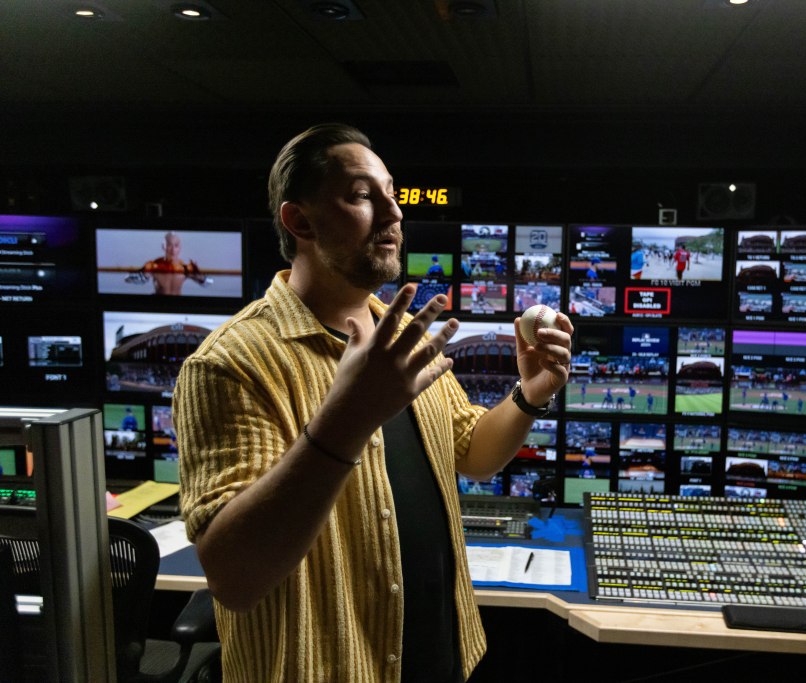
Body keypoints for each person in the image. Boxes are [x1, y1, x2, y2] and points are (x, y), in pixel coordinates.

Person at [172, 123, 573, 683]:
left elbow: (472, 452)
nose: (394, 213)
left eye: (392, 194)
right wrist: (349, 417)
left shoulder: (402, 333)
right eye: (362, 196)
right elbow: (235, 578)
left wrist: (530, 396)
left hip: (439, 661)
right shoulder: (230, 364)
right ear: (300, 221)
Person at [126, 231, 211, 295]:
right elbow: (128, 279)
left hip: (177, 307)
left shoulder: (185, 268)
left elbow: (209, 282)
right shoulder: (154, 265)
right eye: (169, 245)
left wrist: (199, 276)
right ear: (164, 246)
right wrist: (144, 276)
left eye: (176, 246)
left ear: (179, 248)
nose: (173, 250)